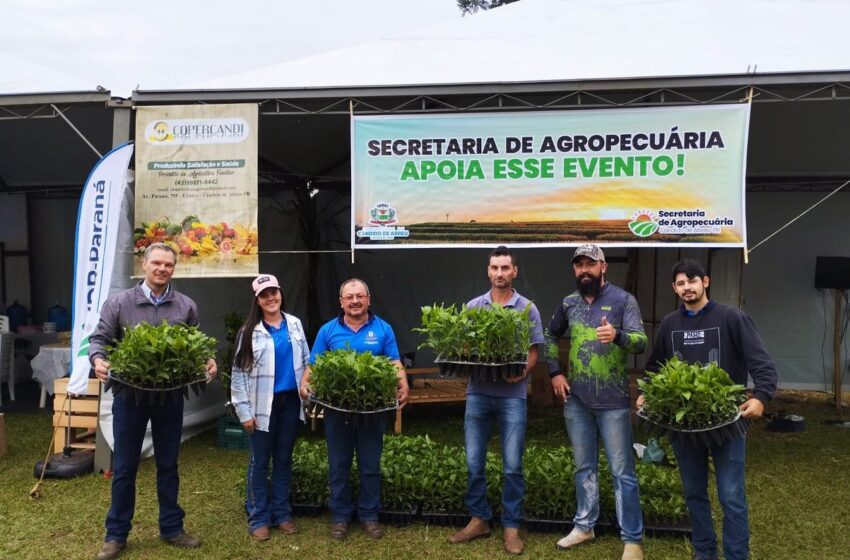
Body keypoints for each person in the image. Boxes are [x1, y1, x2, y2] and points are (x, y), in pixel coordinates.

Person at [642, 259, 777, 560]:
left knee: (731, 496)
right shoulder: (670, 324)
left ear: (706, 281)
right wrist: (646, 394)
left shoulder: (731, 318)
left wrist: (761, 396)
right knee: (693, 492)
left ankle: (735, 555)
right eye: (680, 283)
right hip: (684, 427)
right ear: (674, 288)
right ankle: (704, 553)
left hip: (727, 421)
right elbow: (654, 368)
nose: (687, 287)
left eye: (692, 280)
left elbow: (761, 363)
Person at [89, 243, 217, 560]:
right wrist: (98, 360)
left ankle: (172, 527)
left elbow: (197, 345)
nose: (162, 269)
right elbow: (100, 339)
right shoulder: (120, 303)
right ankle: (116, 534)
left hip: (170, 398)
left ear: (174, 269)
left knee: (168, 464)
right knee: (124, 467)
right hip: (129, 396)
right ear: (143, 265)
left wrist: (208, 360)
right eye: (156, 263)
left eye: (168, 265)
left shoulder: (185, 305)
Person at [544, 244, 647, 560]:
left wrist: (617, 335)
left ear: (604, 267)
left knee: (622, 470)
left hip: (614, 402)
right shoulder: (569, 303)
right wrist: (555, 374)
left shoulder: (623, 300)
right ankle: (584, 526)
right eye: (579, 265)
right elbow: (550, 336)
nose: (584, 270)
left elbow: (641, 342)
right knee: (584, 466)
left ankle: (632, 540)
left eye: (591, 264)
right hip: (577, 401)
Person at [448, 246, 545, 555]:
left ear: (514, 271)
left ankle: (511, 526)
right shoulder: (473, 307)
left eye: (505, 267)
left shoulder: (528, 308)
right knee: (474, 463)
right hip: (478, 394)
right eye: (494, 267)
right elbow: (463, 346)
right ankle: (479, 519)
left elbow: (534, 352)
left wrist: (521, 374)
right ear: (487, 271)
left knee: (513, 465)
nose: (499, 273)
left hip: (512, 397)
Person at [299, 278, 409, 540]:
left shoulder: (383, 329)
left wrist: (403, 385)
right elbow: (314, 365)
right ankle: (340, 517)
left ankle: (369, 516)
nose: (355, 301)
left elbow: (394, 362)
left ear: (369, 299)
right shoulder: (328, 331)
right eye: (350, 297)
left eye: (360, 296)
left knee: (370, 465)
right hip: (338, 411)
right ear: (341, 302)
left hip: (372, 410)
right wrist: (305, 384)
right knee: (339, 465)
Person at [230, 274, 310, 541]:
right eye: (264, 295)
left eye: (274, 292)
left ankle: (282, 513)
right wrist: (244, 412)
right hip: (262, 405)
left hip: (289, 402)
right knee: (260, 462)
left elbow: (308, 362)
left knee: (284, 459)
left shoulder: (295, 324)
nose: (271, 298)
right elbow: (238, 374)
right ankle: (258, 517)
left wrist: (309, 394)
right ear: (257, 300)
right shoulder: (249, 332)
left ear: (280, 293)